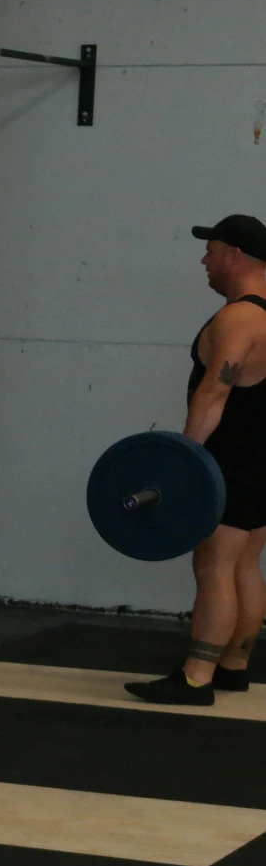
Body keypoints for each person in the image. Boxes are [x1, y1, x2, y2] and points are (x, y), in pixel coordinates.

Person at [127, 214, 266, 706]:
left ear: (234, 255)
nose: (203, 261)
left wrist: (182, 461)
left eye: (210, 251)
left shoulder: (238, 318)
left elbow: (213, 396)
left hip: (227, 460)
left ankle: (195, 677)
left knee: (213, 566)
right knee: (246, 563)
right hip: (260, 458)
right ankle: (234, 666)